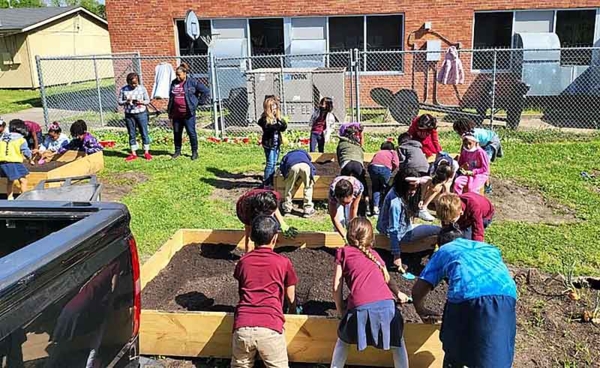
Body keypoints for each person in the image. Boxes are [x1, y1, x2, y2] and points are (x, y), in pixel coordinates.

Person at [412, 228, 517, 368]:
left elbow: (418, 290)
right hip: (506, 296)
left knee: (455, 351)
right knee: (495, 353)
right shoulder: (489, 248)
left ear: (440, 243)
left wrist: (420, 309)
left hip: (467, 294)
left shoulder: (445, 250)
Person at [330, 218, 410, 368]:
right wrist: (398, 293)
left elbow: (336, 287)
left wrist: (341, 311)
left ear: (348, 235)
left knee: (343, 340)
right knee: (398, 342)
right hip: (388, 308)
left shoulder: (343, 252)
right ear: (371, 238)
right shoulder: (374, 256)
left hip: (360, 308)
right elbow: (388, 279)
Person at [231, 215, 297, 368]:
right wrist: (292, 310)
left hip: (242, 327)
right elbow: (290, 294)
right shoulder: (283, 262)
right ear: (275, 238)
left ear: (252, 237)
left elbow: (241, 290)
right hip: (270, 327)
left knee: (240, 365)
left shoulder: (243, 261)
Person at [377, 169, 440, 272]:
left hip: (395, 227)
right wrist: (397, 255)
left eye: (416, 188)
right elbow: (393, 230)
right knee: (438, 230)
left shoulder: (396, 190)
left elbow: (429, 180)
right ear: (403, 185)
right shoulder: (396, 204)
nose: (413, 191)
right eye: (411, 188)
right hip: (403, 234)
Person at [167, 63, 210, 161]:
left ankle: (194, 152)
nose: (177, 77)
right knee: (177, 133)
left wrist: (198, 103)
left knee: (191, 133)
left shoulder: (192, 82)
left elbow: (206, 91)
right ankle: (177, 151)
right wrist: (170, 112)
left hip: (188, 114)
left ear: (185, 73)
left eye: (179, 75)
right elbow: (171, 98)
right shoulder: (174, 83)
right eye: (176, 75)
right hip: (176, 114)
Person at [236, 189, 290, 253]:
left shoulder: (273, 197)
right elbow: (249, 236)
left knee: (272, 227)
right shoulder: (247, 212)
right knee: (257, 233)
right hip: (246, 207)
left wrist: (282, 223)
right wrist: (247, 256)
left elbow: (274, 207)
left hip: (263, 201)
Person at [119, 72, 152, 161]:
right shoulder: (124, 89)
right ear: (128, 82)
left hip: (141, 113)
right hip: (129, 114)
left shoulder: (142, 89)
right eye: (131, 83)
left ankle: (146, 152)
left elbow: (148, 100)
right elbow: (119, 101)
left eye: (135, 83)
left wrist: (141, 102)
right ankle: (133, 153)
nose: (134, 85)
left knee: (144, 132)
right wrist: (126, 101)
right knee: (131, 133)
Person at [337, 124, 369, 214]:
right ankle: (366, 200)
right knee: (363, 182)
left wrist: (342, 166)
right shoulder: (357, 145)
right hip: (358, 164)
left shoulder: (342, 144)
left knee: (343, 183)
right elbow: (361, 156)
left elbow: (339, 157)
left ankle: (342, 201)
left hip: (346, 163)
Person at [258, 96, 287, 188]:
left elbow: (283, 127)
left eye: (275, 107)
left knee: (274, 163)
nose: (274, 109)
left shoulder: (276, 118)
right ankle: (266, 182)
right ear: (268, 108)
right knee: (270, 163)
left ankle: (272, 181)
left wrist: (279, 121)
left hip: (276, 143)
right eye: (272, 107)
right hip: (269, 144)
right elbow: (268, 128)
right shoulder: (264, 119)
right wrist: (276, 124)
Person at [0, 120, 32, 199]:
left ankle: (10, 197)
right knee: (23, 180)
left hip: (2, 162)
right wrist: (30, 159)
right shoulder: (21, 139)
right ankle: (25, 198)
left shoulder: (2, 137)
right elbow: (26, 151)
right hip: (14, 162)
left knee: (10, 180)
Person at [279, 149, 316, 217]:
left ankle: (287, 209)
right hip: (305, 166)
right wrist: (312, 176)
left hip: (292, 166)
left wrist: (286, 177)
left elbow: (282, 167)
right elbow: (311, 165)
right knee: (308, 187)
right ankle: (307, 210)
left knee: (289, 187)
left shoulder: (287, 155)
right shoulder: (304, 154)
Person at [368, 141, 399, 215]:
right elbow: (396, 163)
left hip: (373, 168)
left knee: (376, 188)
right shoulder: (393, 152)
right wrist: (391, 170)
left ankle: (375, 207)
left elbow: (372, 162)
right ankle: (384, 207)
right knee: (386, 188)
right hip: (385, 169)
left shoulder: (378, 152)